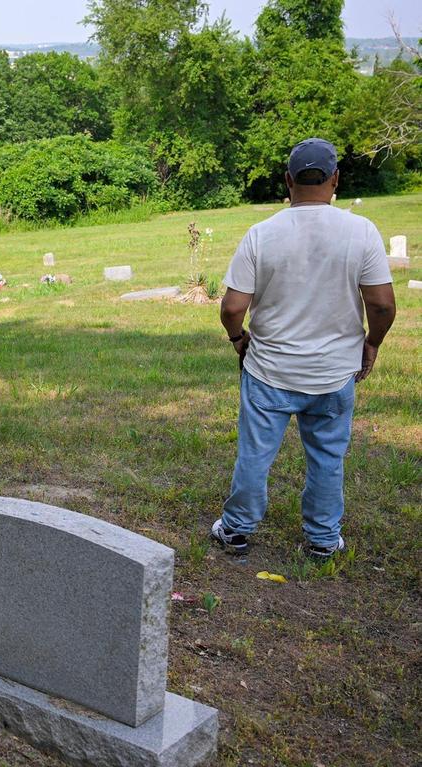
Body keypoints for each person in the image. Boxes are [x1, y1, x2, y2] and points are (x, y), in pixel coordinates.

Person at [211, 137, 397, 559]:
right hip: (333, 374)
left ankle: (237, 530)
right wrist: (371, 344)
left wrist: (239, 340)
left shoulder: (262, 234)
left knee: (255, 455)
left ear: (287, 180)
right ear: (335, 179)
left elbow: (232, 307)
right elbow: (383, 304)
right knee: (328, 458)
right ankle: (323, 539)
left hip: (269, 371)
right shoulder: (361, 231)